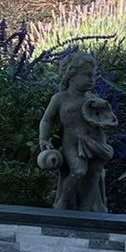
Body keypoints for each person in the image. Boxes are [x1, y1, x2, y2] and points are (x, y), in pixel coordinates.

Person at [37, 53, 116, 213]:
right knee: (78, 171)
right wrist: (44, 139)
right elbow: (47, 120)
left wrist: (103, 108)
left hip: (95, 141)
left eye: (93, 75)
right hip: (73, 141)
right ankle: (63, 204)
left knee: (94, 173)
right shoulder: (60, 98)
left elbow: (107, 121)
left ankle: (85, 210)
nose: (92, 79)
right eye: (87, 75)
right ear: (72, 75)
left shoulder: (92, 99)